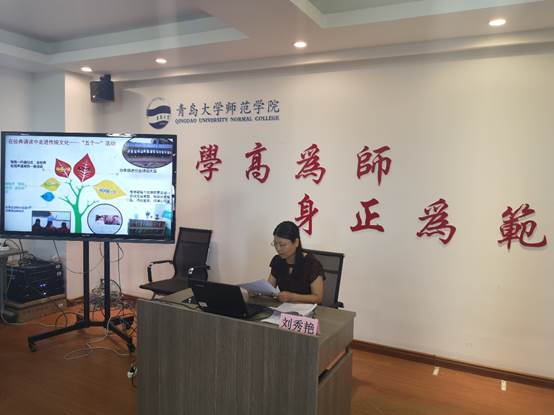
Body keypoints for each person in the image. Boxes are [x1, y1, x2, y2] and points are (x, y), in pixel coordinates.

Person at [267, 221, 324, 304]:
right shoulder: (277, 260)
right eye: (275, 244)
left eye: (282, 245)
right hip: (283, 308)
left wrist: (292, 297)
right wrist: (258, 292)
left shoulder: (312, 264)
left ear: (296, 242)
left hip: (306, 309)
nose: (278, 248)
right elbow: (269, 289)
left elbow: (318, 298)